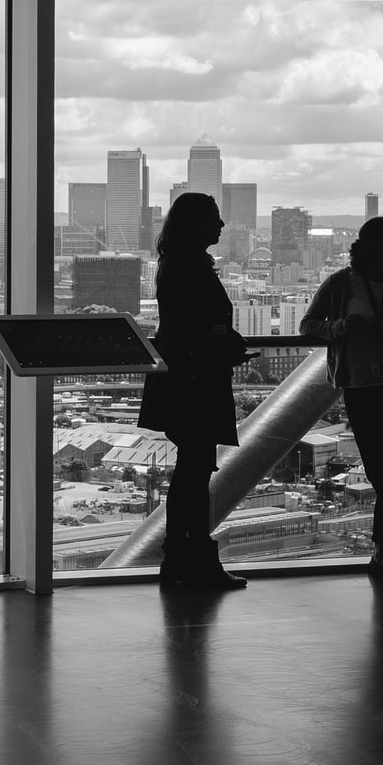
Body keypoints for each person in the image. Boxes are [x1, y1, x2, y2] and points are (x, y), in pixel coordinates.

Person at [300, 217, 383, 575]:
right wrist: (341, 327)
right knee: (382, 473)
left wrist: (377, 330)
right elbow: (308, 324)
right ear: (378, 247)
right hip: (369, 387)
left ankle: (381, 552)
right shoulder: (341, 284)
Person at [137, 192, 252, 589]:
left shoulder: (176, 264)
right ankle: (196, 562)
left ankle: (181, 560)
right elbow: (195, 327)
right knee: (195, 472)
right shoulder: (190, 267)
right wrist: (225, 343)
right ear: (196, 224)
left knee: (191, 472)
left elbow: (183, 326)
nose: (221, 226)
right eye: (215, 219)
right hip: (196, 380)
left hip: (184, 378)